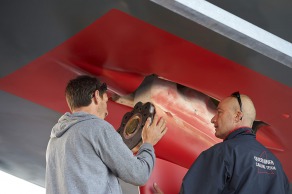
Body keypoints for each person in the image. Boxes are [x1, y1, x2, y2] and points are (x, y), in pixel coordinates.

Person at [45, 75, 167, 194]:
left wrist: (126, 151)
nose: (107, 112)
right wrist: (148, 143)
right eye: (106, 101)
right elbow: (139, 174)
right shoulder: (97, 128)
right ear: (96, 96)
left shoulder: (54, 142)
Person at [153, 92, 290, 194]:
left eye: (219, 112)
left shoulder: (221, 154)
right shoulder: (276, 165)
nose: (213, 119)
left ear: (237, 116)